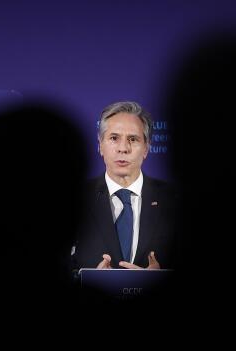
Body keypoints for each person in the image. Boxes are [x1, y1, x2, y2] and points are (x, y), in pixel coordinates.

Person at [72, 101, 177, 270]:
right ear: (100, 145)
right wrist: (88, 280)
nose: (123, 148)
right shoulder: (73, 198)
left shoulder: (175, 200)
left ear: (146, 148)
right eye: (114, 138)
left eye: (133, 139)